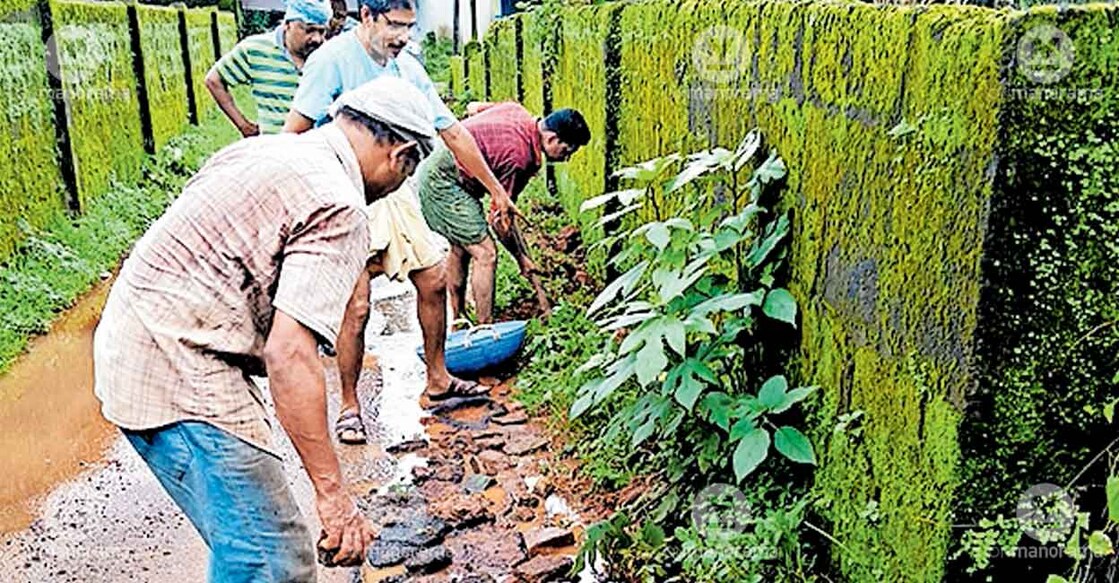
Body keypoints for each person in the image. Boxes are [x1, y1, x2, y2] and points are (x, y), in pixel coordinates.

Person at [93, 77, 437, 581]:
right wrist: (333, 495)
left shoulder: (264, 150)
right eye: (409, 172)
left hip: (139, 336)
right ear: (401, 156)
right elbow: (290, 355)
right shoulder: (340, 205)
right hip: (179, 366)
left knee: (246, 545)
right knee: (271, 560)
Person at [284, 0, 506, 443]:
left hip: (394, 188)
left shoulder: (407, 67)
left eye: (410, 26)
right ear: (367, 16)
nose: (404, 36)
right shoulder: (332, 60)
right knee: (357, 304)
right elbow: (294, 132)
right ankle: (349, 406)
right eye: (395, 25)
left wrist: (496, 188)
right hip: (344, 187)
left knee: (434, 279)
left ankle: (438, 378)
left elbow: (453, 132)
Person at [420, 102, 590, 324]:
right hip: (443, 182)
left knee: (462, 248)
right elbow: (499, 220)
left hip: (447, 167)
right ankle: (485, 328)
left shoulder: (517, 111)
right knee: (485, 253)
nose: (566, 158)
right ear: (551, 139)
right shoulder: (519, 157)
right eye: (567, 151)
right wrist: (521, 259)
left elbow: (473, 108)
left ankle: (458, 319)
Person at [205, 0, 331, 136]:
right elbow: (214, 80)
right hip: (272, 150)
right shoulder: (255, 49)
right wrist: (244, 126)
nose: (317, 39)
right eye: (309, 30)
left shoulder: (329, 56)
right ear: (287, 24)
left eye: (322, 32)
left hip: (318, 150)